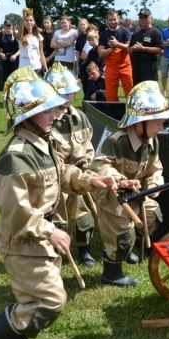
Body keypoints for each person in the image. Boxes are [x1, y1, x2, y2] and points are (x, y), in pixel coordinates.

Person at [0, 74, 117, 339]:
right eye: (47, 110)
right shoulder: (15, 158)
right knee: (50, 301)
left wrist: (92, 179)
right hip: (24, 241)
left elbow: (61, 173)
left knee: (34, 300)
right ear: (27, 116)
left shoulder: (42, 143)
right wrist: (49, 231)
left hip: (39, 237)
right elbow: (16, 212)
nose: (54, 114)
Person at [90, 81, 169, 286]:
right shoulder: (116, 141)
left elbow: (155, 167)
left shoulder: (152, 140)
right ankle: (112, 272)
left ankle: (128, 249)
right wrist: (120, 180)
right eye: (158, 122)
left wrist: (154, 183)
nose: (161, 127)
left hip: (136, 195)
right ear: (140, 122)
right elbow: (99, 165)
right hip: (113, 198)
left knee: (153, 214)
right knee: (120, 235)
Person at [45, 64, 97, 267]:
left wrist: (87, 161)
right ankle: (59, 252)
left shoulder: (80, 117)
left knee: (83, 215)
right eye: (63, 93)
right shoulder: (46, 119)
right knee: (59, 218)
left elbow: (89, 144)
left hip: (80, 174)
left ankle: (85, 250)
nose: (68, 97)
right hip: (57, 178)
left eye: (71, 92)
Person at [98, 8, 133, 101]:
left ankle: (132, 112)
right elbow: (101, 53)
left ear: (118, 19)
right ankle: (113, 112)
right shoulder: (104, 34)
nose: (113, 21)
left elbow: (130, 48)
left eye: (114, 19)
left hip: (125, 66)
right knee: (110, 95)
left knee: (131, 93)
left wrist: (117, 44)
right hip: (111, 67)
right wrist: (111, 49)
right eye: (110, 20)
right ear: (107, 21)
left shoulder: (125, 31)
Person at [127, 7, 163, 85]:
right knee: (138, 92)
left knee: (149, 92)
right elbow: (128, 50)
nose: (143, 19)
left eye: (145, 17)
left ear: (151, 18)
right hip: (136, 68)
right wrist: (133, 48)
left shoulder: (155, 32)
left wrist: (143, 48)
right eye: (141, 17)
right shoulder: (136, 33)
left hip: (149, 68)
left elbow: (160, 50)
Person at [18, 8, 48, 76]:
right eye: (27, 20)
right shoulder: (21, 36)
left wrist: (46, 69)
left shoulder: (39, 36)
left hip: (37, 67)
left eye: (31, 20)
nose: (29, 22)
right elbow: (19, 33)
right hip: (24, 68)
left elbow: (41, 53)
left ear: (34, 22)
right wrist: (23, 17)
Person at [0, 19, 20, 87]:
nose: (8, 27)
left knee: (15, 77)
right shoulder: (1, 37)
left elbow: (21, 49)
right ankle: (6, 94)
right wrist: (1, 54)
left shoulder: (16, 36)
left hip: (14, 59)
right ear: (4, 26)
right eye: (7, 26)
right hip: (5, 59)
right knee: (6, 77)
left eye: (9, 26)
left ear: (12, 26)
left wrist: (15, 55)